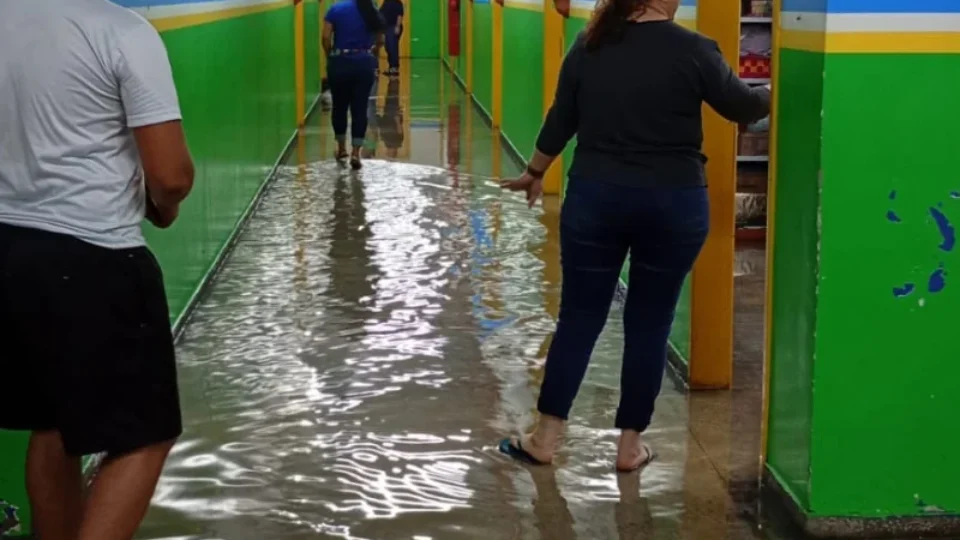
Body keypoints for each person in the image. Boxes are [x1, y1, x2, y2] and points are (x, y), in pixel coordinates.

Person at [498, 0, 769, 470]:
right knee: (650, 323)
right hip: (674, 202)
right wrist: (774, 88)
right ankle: (629, 447)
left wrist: (535, 170)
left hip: (596, 198)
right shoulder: (695, 49)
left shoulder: (591, 44)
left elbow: (563, 116)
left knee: (580, 318)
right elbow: (741, 108)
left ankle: (545, 438)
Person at [0, 0, 194, 538]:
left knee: (54, 424)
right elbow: (171, 175)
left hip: (9, 253)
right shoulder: (120, 31)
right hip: (93, 258)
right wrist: (165, 203)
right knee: (145, 436)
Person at [323, 0, 385, 170]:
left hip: (339, 63)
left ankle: (342, 148)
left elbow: (326, 37)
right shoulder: (370, 8)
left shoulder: (335, 8)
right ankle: (356, 153)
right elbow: (381, 39)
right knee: (360, 108)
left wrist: (330, 56)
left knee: (339, 107)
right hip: (363, 63)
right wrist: (373, 53)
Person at [379, 0, 404, 76]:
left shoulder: (398, 3)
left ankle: (394, 68)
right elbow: (381, 13)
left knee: (393, 47)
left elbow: (400, 15)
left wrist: (397, 26)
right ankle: (391, 67)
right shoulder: (386, 2)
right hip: (387, 27)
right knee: (388, 47)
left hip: (394, 27)